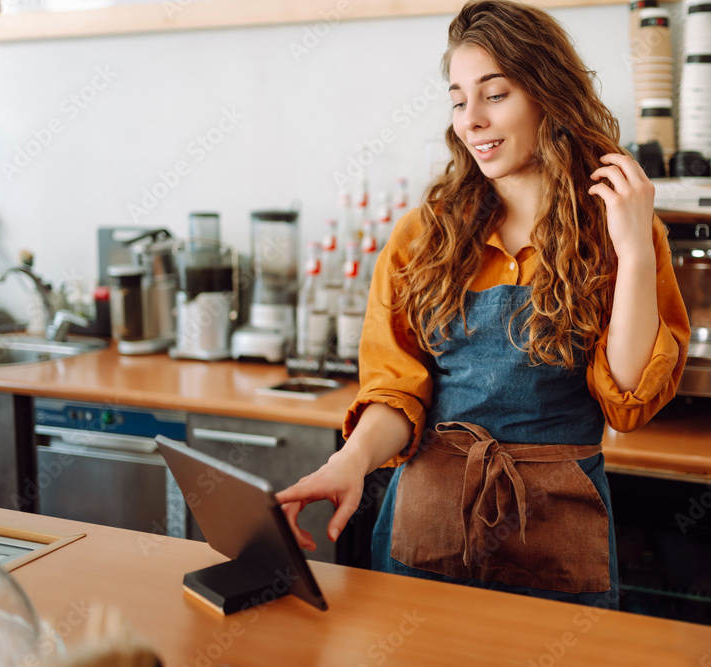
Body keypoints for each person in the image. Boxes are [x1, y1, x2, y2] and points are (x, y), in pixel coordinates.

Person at [277, 0, 690, 609]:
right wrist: (351, 460)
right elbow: (398, 390)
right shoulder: (423, 235)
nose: (471, 119)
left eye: (493, 95)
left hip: (557, 528)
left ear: (548, 93)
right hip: (426, 519)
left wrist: (632, 248)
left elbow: (627, 398)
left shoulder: (619, 229)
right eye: (458, 99)